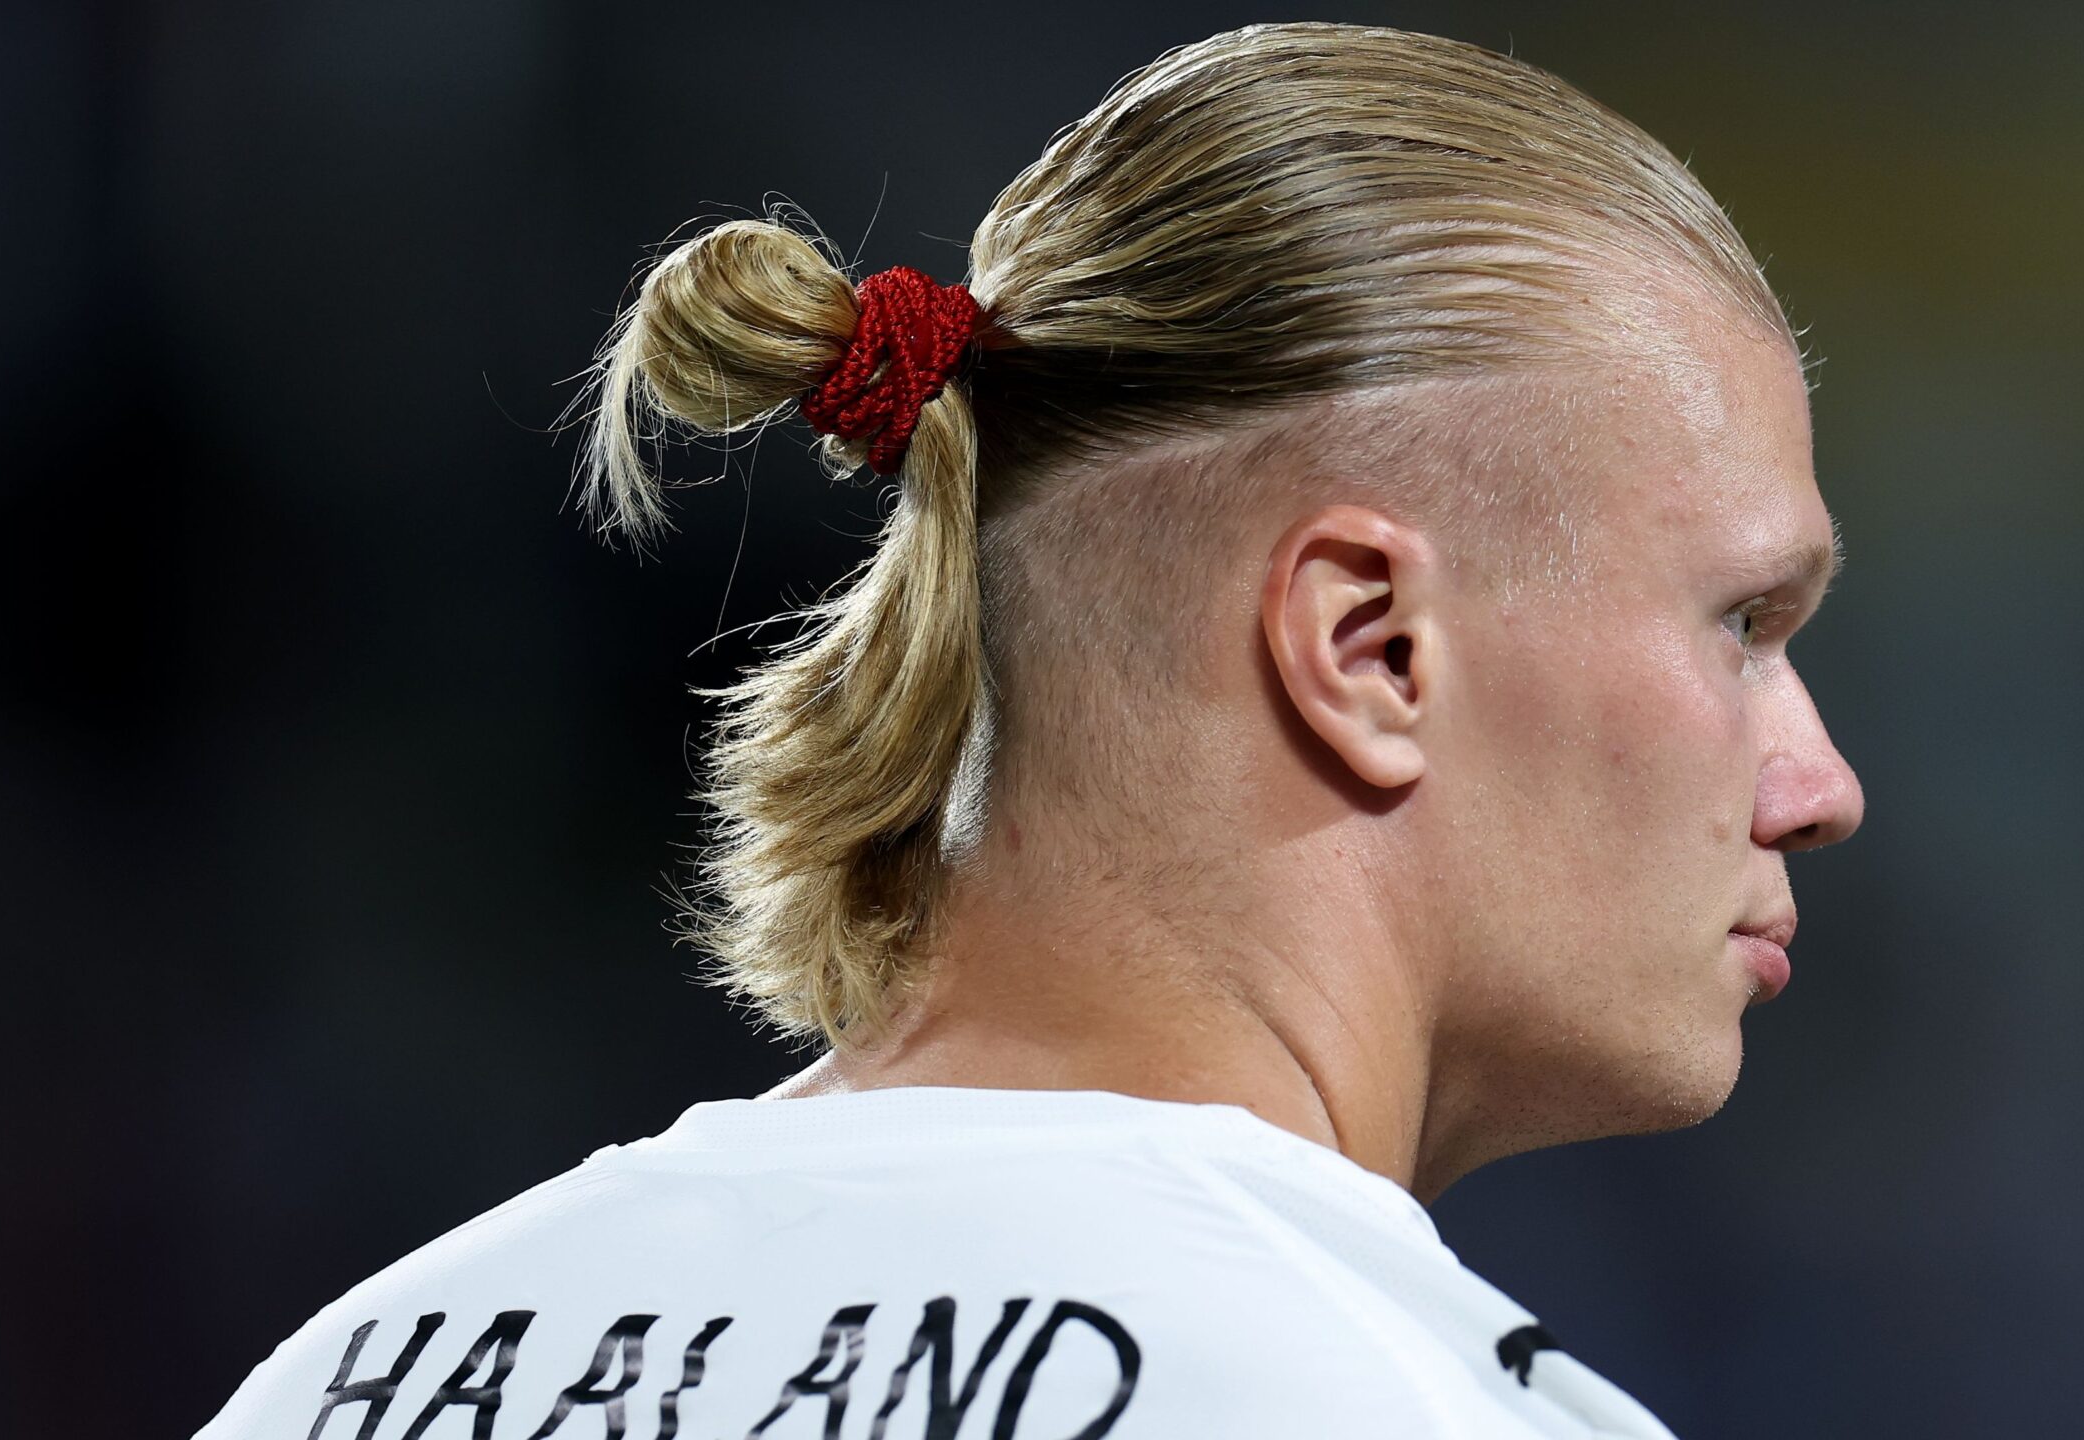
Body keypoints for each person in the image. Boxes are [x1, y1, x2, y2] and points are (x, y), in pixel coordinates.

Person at [198, 20, 1862, 1440]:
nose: (1821, 787)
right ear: (1368, 648)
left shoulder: (346, 1383)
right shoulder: (1397, 1403)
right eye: (1743, 624)